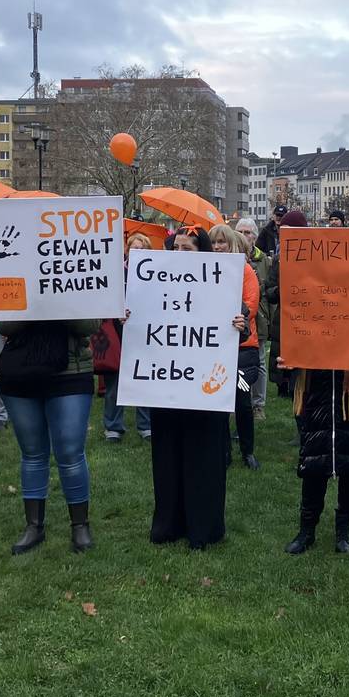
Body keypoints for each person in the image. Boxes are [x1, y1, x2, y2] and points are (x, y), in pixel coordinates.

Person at [149, 226, 247, 549]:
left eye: (187, 248)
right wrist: (130, 321)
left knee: (202, 459)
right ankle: (168, 524)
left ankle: (202, 528)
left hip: (204, 391)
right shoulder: (154, 285)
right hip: (168, 386)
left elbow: (240, 330)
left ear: (201, 253)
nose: (179, 254)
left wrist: (239, 326)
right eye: (175, 248)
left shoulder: (224, 287)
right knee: (167, 456)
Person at [280, 312, 349, 555]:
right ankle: (306, 530)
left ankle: (344, 530)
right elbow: (293, 333)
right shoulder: (309, 291)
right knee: (313, 463)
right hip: (317, 392)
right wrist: (287, 359)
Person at [0, 312, 100, 555]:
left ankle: (80, 526)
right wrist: (35, 303)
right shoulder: (10, 274)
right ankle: (34, 526)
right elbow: (3, 325)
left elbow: (90, 324)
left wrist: (55, 301)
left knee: (71, 453)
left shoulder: (80, 276)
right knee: (32, 454)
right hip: (19, 372)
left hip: (71, 371)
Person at [210, 224, 260, 470]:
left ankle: (247, 451)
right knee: (216, 401)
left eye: (222, 242)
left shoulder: (244, 271)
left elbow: (250, 305)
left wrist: (231, 315)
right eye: (214, 242)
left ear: (231, 245)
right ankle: (224, 451)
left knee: (241, 401)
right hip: (213, 346)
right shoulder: (203, 271)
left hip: (243, 347)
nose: (218, 247)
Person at [102, 232, 152, 442]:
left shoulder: (155, 275)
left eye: (141, 248)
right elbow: (105, 303)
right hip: (119, 335)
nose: (136, 252)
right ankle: (113, 426)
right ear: (127, 250)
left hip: (146, 336)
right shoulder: (115, 274)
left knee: (144, 380)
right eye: (133, 248)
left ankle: (146, 425)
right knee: (115, 382)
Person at [265, 210, 308, 398]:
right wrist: (281, 290)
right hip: (284, 316)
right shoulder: (278, 259)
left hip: (307, 317)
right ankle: (283, 384)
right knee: (282, 349)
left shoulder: (313, 259)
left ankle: (300, 381)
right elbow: (269, 290)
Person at [235, 217, 271, 420]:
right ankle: (240, 400)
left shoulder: (263, 260)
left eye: (248, 232)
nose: (244, 235)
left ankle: (258, 404)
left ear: (255, 237)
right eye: (240, 231)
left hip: (260, 318)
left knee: (259, 362)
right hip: (240, 320)